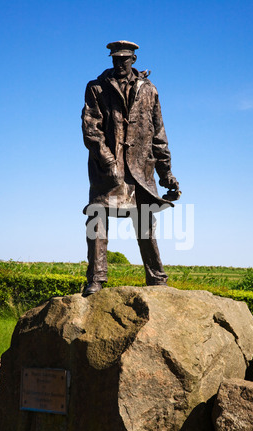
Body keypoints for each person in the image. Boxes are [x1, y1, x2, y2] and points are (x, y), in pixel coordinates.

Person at [81, 40, 180, 296]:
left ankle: (157, 277)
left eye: (124, 59)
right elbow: (92, 130)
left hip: (141, 171)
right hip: (107, 169)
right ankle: (96, 278)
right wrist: (108, 161)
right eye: (115, 59)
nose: (119, 63)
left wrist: (166, 173)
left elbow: (158, 135)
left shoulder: (150, 90)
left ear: (133, 60)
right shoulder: (97, 88)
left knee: (146, 223)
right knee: (97, 216)